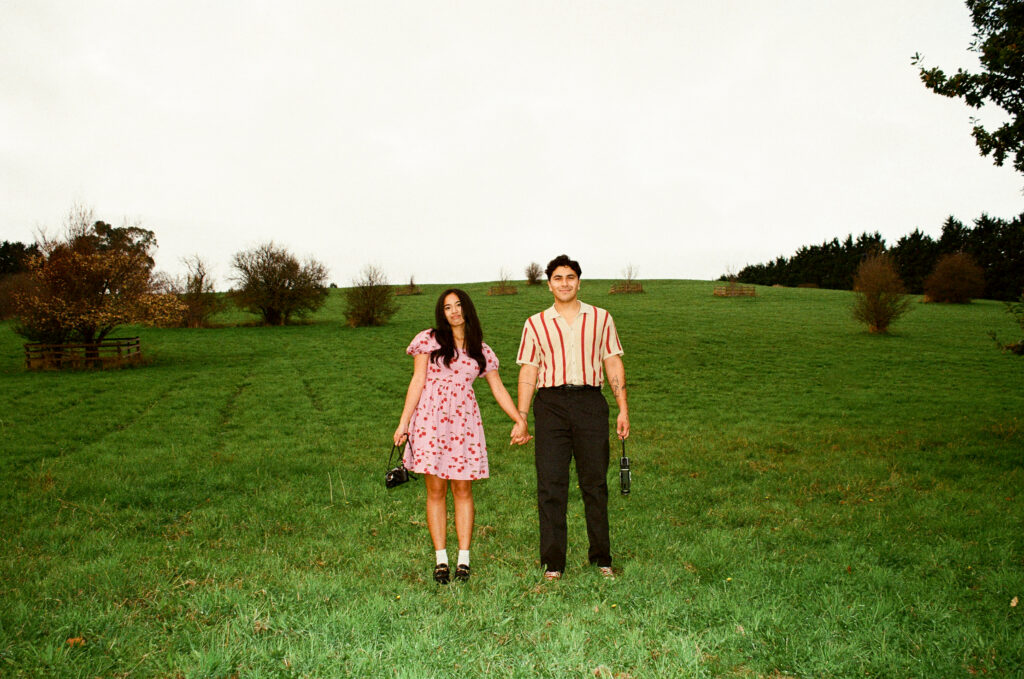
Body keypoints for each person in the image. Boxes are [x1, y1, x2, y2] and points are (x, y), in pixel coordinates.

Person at [395, 288, 530, 584]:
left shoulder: (481, 349)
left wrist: (519, 420)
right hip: (430, 422)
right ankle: (441, 559)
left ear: (467, 310)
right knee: (435, 491)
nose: (454, 311)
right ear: (441, 313)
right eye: (447, 307)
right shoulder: (429, 341)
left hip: (464, 426)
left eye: (458, 305)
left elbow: (497, 387)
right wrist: (404, 423)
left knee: (463, 490)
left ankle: (464, 561)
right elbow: (417, 381)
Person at [515, 254, 630, 581]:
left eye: (570, 277)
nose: (564, 283)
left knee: (594, 483)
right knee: (551, 484)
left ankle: (602, 558)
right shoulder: (535, 323)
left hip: (590, 403)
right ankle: (553, 564)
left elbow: (613, 364)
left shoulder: (601, 318)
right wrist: (522, 415)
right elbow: (528, 371)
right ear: (549, 283)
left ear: (579, 281)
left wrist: (623, 408)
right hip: (550, 405)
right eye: (558, 278)